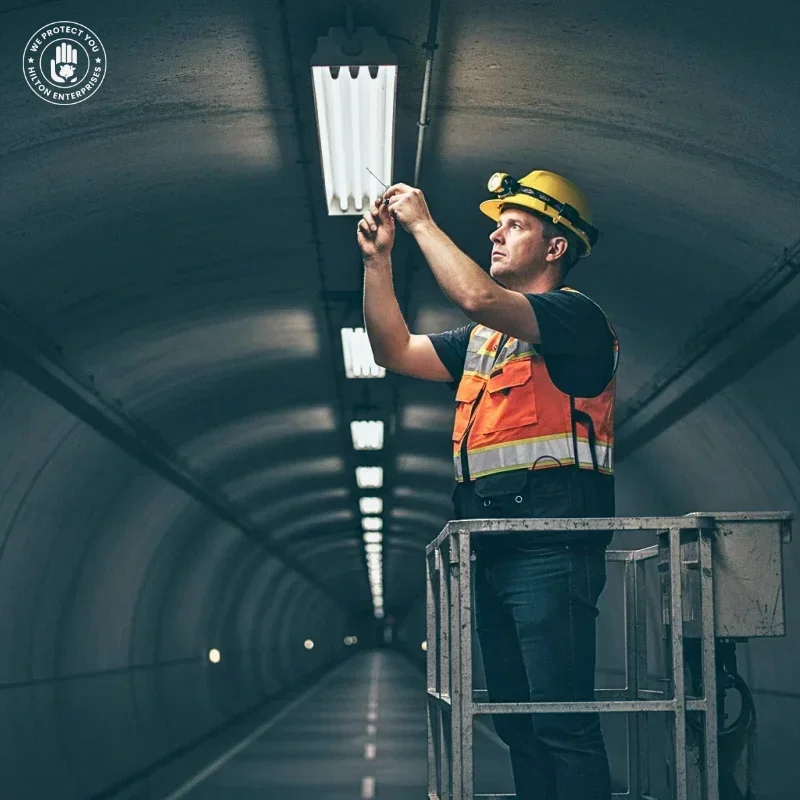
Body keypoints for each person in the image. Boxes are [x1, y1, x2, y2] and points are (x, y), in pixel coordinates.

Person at [358, 169, 617, 800]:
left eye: (514, 225)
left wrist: (422, 222)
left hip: (554, 546)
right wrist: (378, 263)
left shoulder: (577, 319)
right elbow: (393, 350)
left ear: (556, 249)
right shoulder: (483, 342)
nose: (496, 236)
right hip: (491, 548)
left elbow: (476, 295)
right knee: (517, 724)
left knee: (562, 724)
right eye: (496, 225)